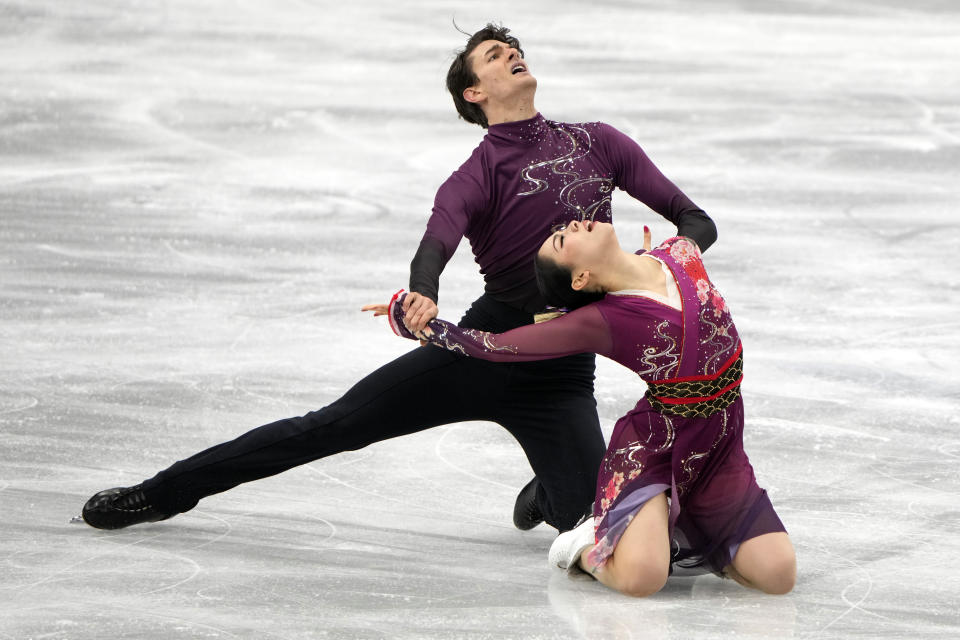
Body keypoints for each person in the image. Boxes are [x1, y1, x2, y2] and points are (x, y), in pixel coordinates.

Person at [81, 24, 717, 535]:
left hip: (562, 372)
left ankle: (551, 492)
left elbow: (694, 219)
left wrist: (674, 257)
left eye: (513, 48)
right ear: (475, 93)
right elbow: (435, 242)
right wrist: (424, 292)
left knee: (589, 520)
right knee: (326, 428)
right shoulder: (478, 173)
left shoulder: (598, 142)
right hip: (476, 355)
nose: (512, 55)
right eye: (495, 56)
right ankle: (159, 494)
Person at [378, 220, 796, 596]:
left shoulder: (678, 253)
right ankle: (580, 544)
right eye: (562, 239)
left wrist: (647, 249)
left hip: (717, 445)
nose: (574, 225)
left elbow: (700, 222)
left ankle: (682, 531)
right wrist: (416, 321)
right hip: (653, 447)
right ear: (580, 277)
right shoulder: (600, 320)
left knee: (778, 576)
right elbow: (498, 348)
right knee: (643, 579)